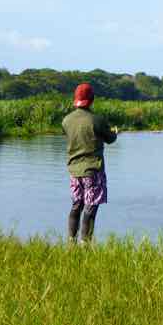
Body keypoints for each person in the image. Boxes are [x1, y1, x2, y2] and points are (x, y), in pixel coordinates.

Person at [62, 83, 117, 243]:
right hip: (93, 170)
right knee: (90, 207)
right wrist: (114, 133)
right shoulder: (97, 120)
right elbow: (110, 139)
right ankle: (85, 245)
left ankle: (71, 242)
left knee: (76, 205)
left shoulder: (66, 120)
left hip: (74, 171)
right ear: (91, 99)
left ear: (76, 99)